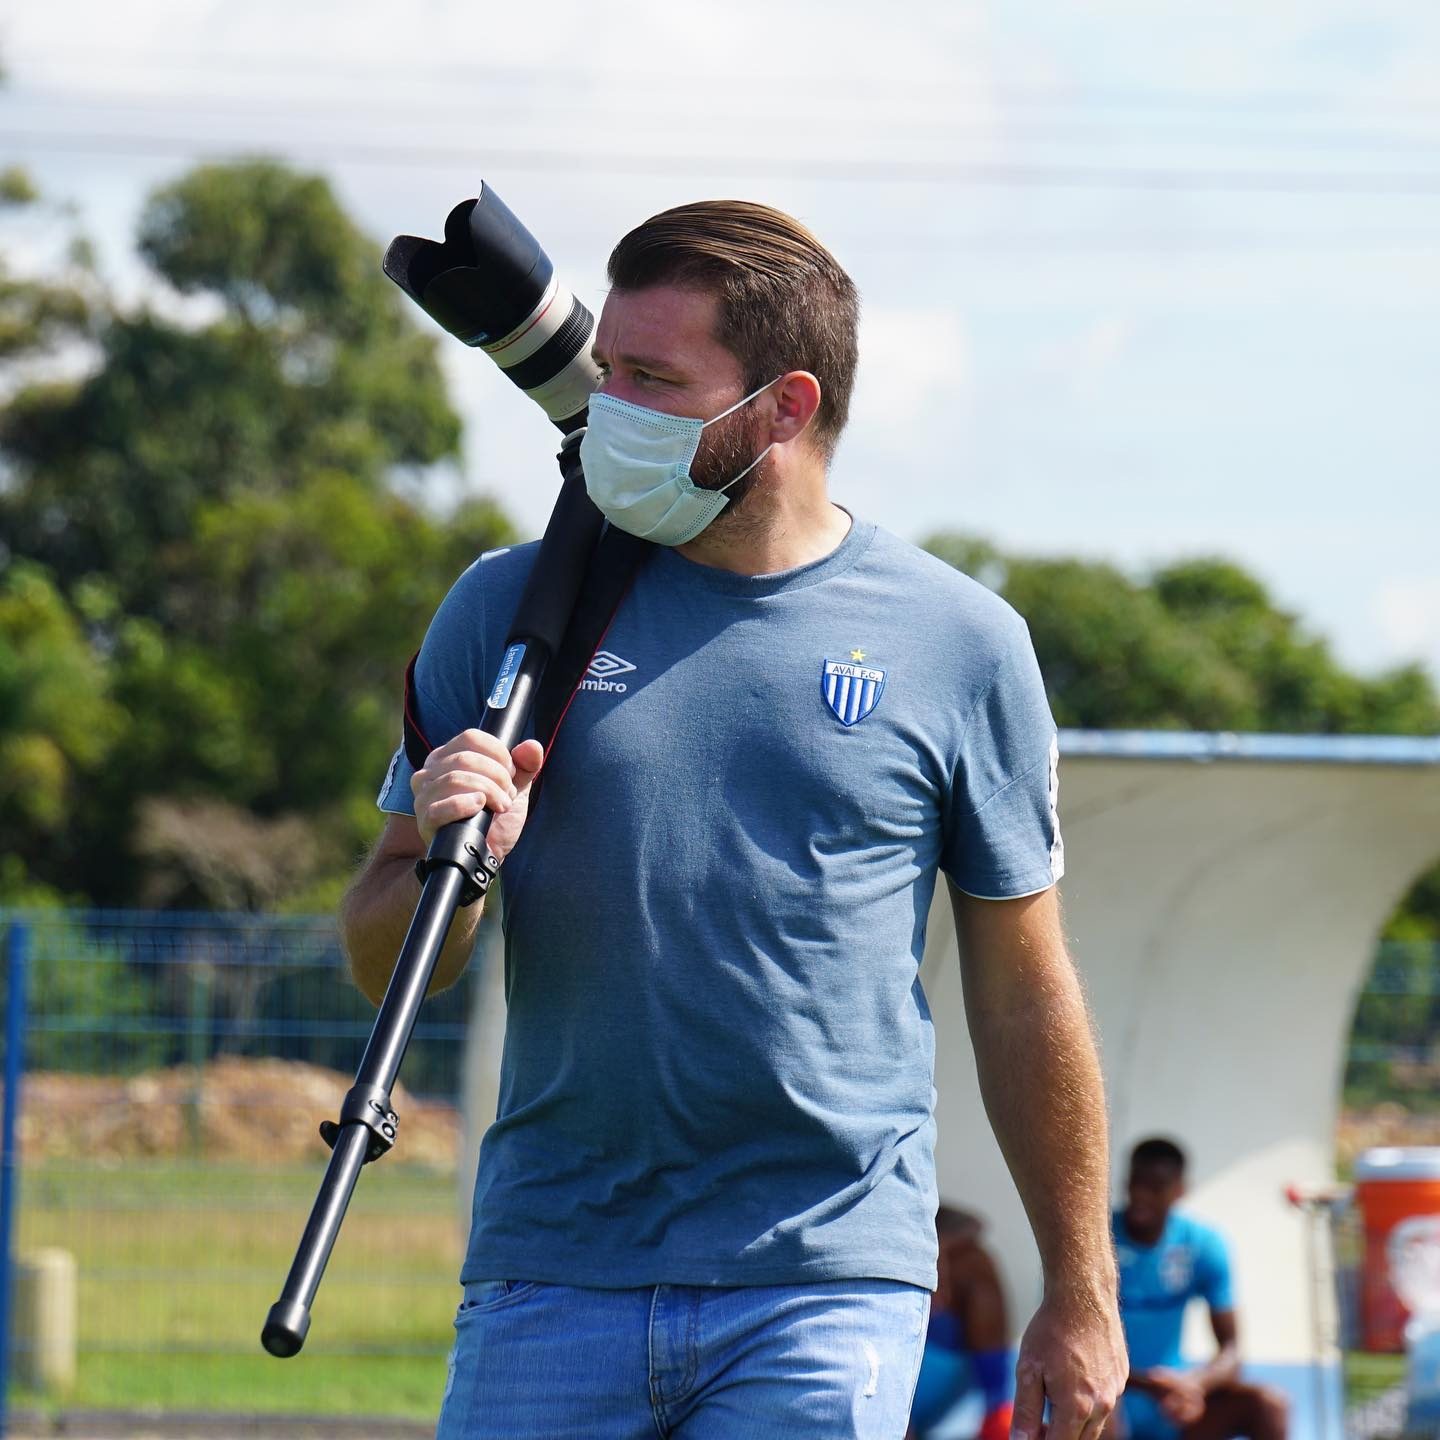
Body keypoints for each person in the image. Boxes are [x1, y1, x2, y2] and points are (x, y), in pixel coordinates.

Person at [342, 199, 1125, 1439]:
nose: (608, 412)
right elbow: (384, 954)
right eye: (608, 374)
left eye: (653, 380)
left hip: (824, 1281)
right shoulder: (506, 606)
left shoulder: (962, 643)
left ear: (785, 406)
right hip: (552, 1268)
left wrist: (1081, 1290)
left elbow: (1024, 992)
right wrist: (461, 857)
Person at [1114, 1137, 1289, 1440]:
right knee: (1096, 1404)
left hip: (1175, 1404)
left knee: (1268, 1405)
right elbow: (1074, 1344)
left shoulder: (1202, 1245)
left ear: (1179, 1190)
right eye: (1135, 1184)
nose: (1141, 1196)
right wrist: (1148, 1384)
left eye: (1155, 1187)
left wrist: (1194, 1384)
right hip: (1111, 1396)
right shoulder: (1095, 1243)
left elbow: (1231, 1351)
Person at [908, 1206, 1016, 1440]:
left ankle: (997, 1417)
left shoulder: (902, 1182)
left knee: (976, 1262)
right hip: (875, 1359)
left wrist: (935, 1253)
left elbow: (973, 1222)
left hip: (935, 1366)